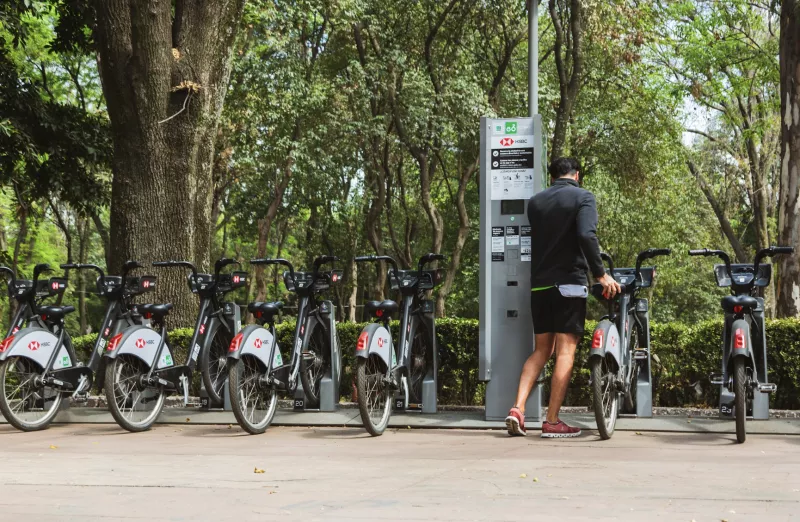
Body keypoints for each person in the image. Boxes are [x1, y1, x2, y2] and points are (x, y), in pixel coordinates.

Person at [505, 157, 620, 438]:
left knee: (541, 350)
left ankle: (517, 409)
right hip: (569, 284)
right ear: (577, 175)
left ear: (552, 176)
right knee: (565, 352)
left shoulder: (536, 202)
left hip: (539, 286)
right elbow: (586, 235)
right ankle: (552, 421)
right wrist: (600, 274)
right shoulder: (583, 197)